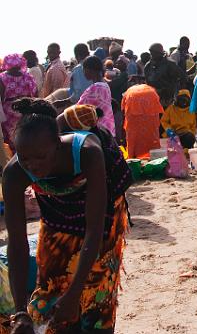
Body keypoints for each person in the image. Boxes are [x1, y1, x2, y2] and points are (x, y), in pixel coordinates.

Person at [2, 99, 131, 334]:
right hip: (57, 214)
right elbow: (17, 243)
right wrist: (20, 311)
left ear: (58, 144)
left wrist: (74, 294)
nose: (32, 166)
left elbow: (94, 230)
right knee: (50, 293)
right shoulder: (14, 173)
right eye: (24, 158)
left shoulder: (88, 153)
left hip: (102, 214)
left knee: (95, 295)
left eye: (40, 157)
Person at [0, 54, 39, 150]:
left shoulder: (2, 77)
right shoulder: (28, 76)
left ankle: (14, 157)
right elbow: (35, 93)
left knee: (10, 140)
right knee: (24, 135)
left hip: (8, 112)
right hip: (25, 109)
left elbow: (1, 97)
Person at [74, 56, 116, 137]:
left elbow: (79, 108)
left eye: (84, 70)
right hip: (108, 128)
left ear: (91, 70)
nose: (83, 73)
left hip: (98, 130)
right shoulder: (105, 85)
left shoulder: (96, 88)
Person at [121, 83, 163, 159]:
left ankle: (132, 157)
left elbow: (124, 109)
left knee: (133, 136)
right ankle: (154, 157)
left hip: (133, 118)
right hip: (151, 117)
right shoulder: (151, 91)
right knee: (152, 134)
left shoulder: (129, 92)